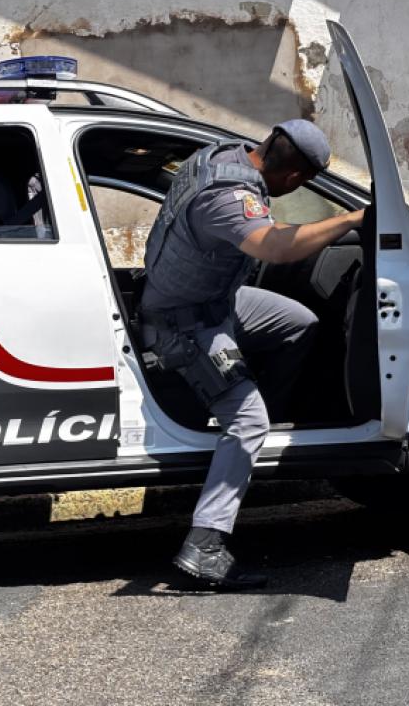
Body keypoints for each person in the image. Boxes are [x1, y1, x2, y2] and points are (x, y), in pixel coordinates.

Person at [139, 119, 364, 589]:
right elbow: (275, 246)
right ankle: (204, 547)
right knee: (247, 420)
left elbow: (261, 228)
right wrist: (351, 218)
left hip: (217, 301)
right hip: (186, 323)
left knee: (297, 323)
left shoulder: (224, 155)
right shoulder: (226, 195)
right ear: (295, 178)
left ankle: (254, 442)